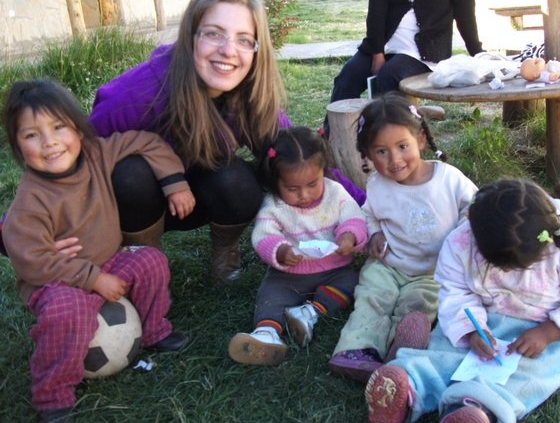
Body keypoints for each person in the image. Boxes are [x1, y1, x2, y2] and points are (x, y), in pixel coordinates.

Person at [86, 0, 365, 286]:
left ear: (256, 49)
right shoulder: (136, 93)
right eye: (213, 33)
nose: (229, 50)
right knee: (130, 174)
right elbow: (77, 161)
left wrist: (369, 212)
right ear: (191, 35)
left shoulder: (250, 95)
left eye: (243, 39)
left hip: (200, 199)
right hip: (138, 202)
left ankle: (225, 255)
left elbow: (300, 159)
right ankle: (145, 262)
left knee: (237, 179)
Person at [1, 78, 195, 423]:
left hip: (109, 260)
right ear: (17, 147)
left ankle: (153, 330)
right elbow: (32, 262)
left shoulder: (97, 154)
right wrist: (92, 279)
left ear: (78, 128)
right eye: (31, 135)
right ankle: (53, 395)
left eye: (58, 127)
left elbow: (147, 142)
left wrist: (174, 182)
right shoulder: (30, 201)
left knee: (150, 260)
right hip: (57, 281)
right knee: (68, 310)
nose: (49, 142)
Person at [365, 179, 560, 423]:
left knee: (533, 372)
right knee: (446, 351)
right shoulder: (462, 242)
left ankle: (476, 408)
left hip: (541, 330)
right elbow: (455, 291)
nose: (505, 274)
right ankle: (409, 385)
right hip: (478, 318)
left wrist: (549, 333)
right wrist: (471, 331)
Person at [328, 92, 478, 383]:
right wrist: (374, 233)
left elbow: (474, 206)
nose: (394, 159)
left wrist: (462, 235)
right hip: (387, 265)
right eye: (381, 151)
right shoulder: (377, 184)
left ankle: (399, 353)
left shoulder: (448, 178)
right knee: (372, 298)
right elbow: (368, 214)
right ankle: (357, 350)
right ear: (368, 154)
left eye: (402, 146)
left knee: (418, 305)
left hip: (433, 272)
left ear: (420, 139)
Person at [227, 127, 368, 366]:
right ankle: (266, 332)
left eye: (312, 184)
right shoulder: (274, 204)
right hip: (289, 273)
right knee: (271, 295)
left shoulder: (335, 193)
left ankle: (310, 312)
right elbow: (264, 235)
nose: (304, 194)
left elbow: (354, 217)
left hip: (334, 268)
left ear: (323, 171)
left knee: (352, 284)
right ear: (276, 181)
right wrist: (281, 251)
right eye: (292, 188)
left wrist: (349, 237)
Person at [323, 0, 484, 137]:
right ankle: (331, 138)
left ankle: (383, 140)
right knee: (348, 76)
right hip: (383, 44)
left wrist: (478, 53)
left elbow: (465, 16)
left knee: (388, 76)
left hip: (423, 51)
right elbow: (376, 11)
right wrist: (377, 53)